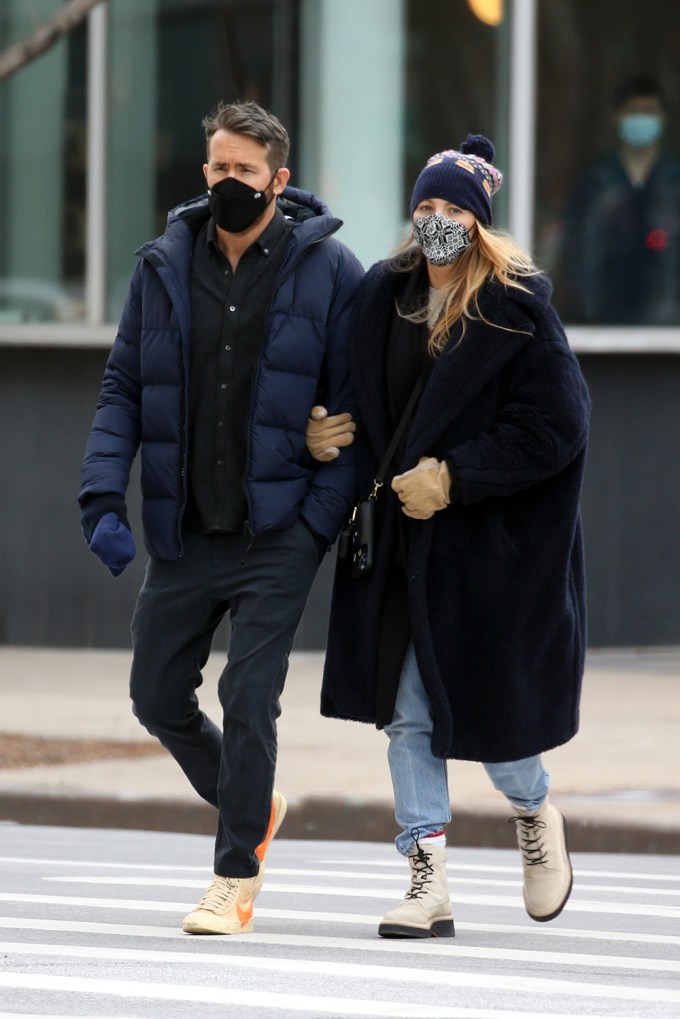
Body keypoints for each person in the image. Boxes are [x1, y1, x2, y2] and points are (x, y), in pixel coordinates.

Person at [79, 100, 363, 936]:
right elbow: (123, 387)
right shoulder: (162, 264)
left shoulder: (330, 271)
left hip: (279, 531)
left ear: (278, 178)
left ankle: (233, 875)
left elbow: (352, 413)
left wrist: (317, 521)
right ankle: (254, 800)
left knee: (249, 695)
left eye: (243, 170)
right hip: (186, 527)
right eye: (216, 167)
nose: (227, 182)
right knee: (156, 693)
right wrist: (102, 495)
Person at [306, 135, 590, 938]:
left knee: (494, 720)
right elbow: (359, 397)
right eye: (426, 207)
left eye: (454, 210)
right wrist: (325, 430)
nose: (437, 222)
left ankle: (534, 812)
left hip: (488, 556)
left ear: (481, 222)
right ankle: (425, 877)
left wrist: (458, 477)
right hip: (401, 548)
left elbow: (558, 428)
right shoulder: (381, 296)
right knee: (408, 715)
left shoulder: (517, 307)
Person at [558, 74, 680, 324]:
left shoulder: (674, 182)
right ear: (617, 116)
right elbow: (576, 249)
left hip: (667, 324)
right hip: (601, 320)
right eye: (633, 111)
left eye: (649, 112)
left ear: (663, 118)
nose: (641, 119)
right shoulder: (596, 182)